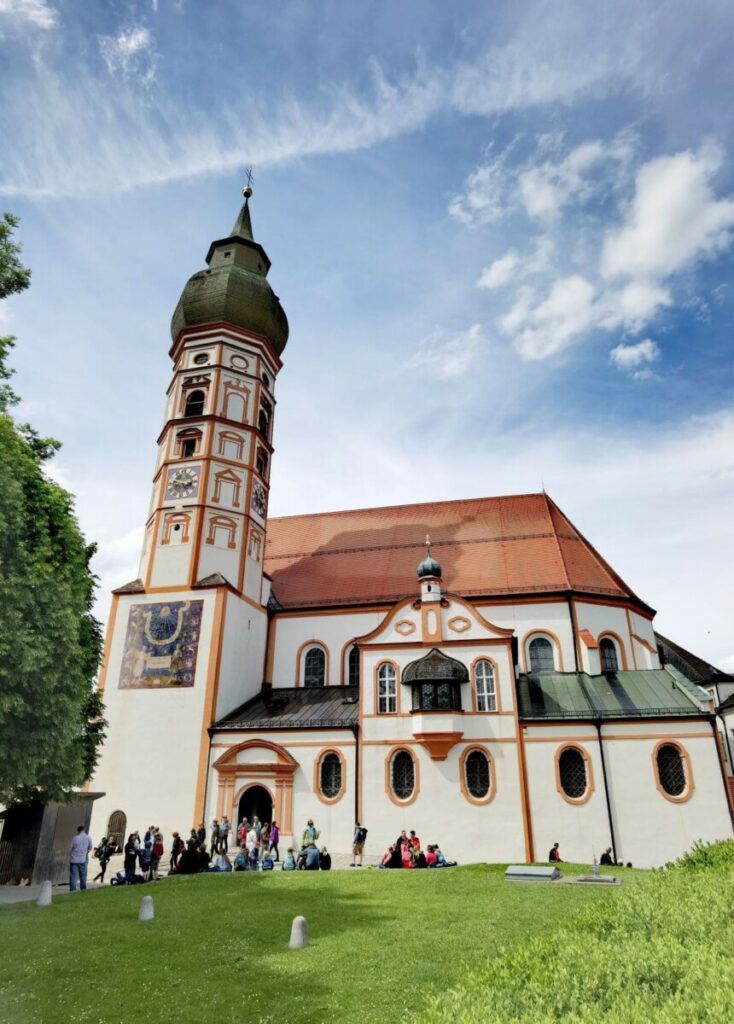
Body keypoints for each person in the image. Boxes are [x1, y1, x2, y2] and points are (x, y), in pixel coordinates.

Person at [69, 825, 93, 891]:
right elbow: (90, 848)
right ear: (84, 830)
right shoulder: (88, 838)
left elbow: (70, 848)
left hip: (74, 859)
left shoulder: (75, 838)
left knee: (73, 875)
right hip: (83, 858)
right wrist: (86, 851)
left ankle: (72, 889)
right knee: (83, 874)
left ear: (78, 831)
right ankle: (83, 888)